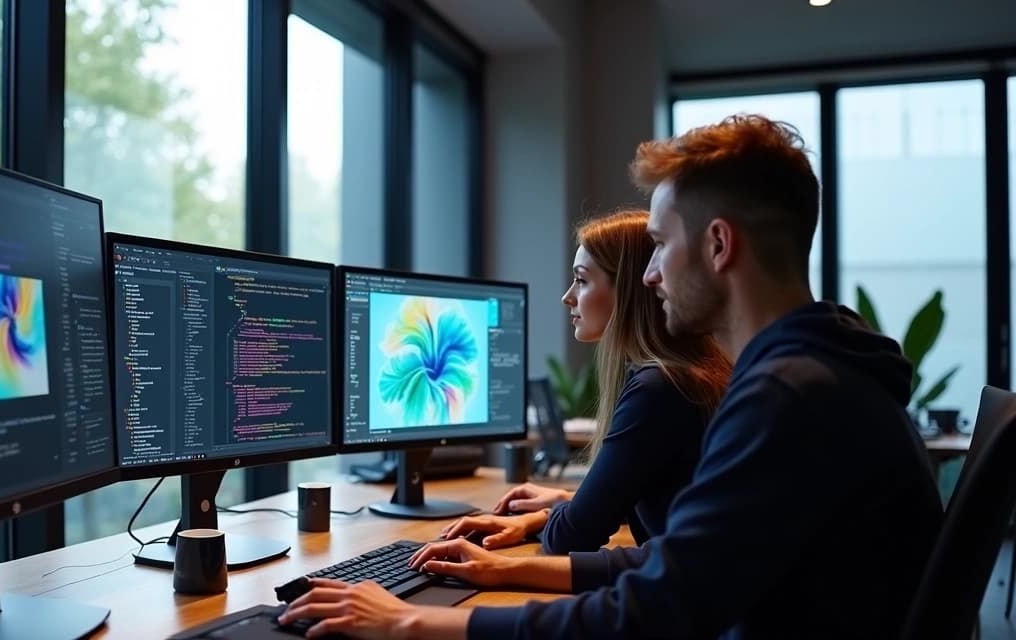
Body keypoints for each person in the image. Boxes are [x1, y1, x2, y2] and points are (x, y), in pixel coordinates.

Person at [278, 114, 944, 639]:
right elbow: (680, 566)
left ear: (718, 245)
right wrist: (502, 568)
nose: (648, 275)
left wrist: (411, 622)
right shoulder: (819, 373)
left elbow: (653, 611)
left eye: (660, 244)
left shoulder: (787, 397)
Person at [439, 210, 731, 553]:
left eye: (581, 280)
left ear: (629, 290)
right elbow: (645, 497)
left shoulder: (658, 389)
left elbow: (570, 538)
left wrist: (559, 517)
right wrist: (562, 505)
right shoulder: (692, 374)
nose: (567, 297)